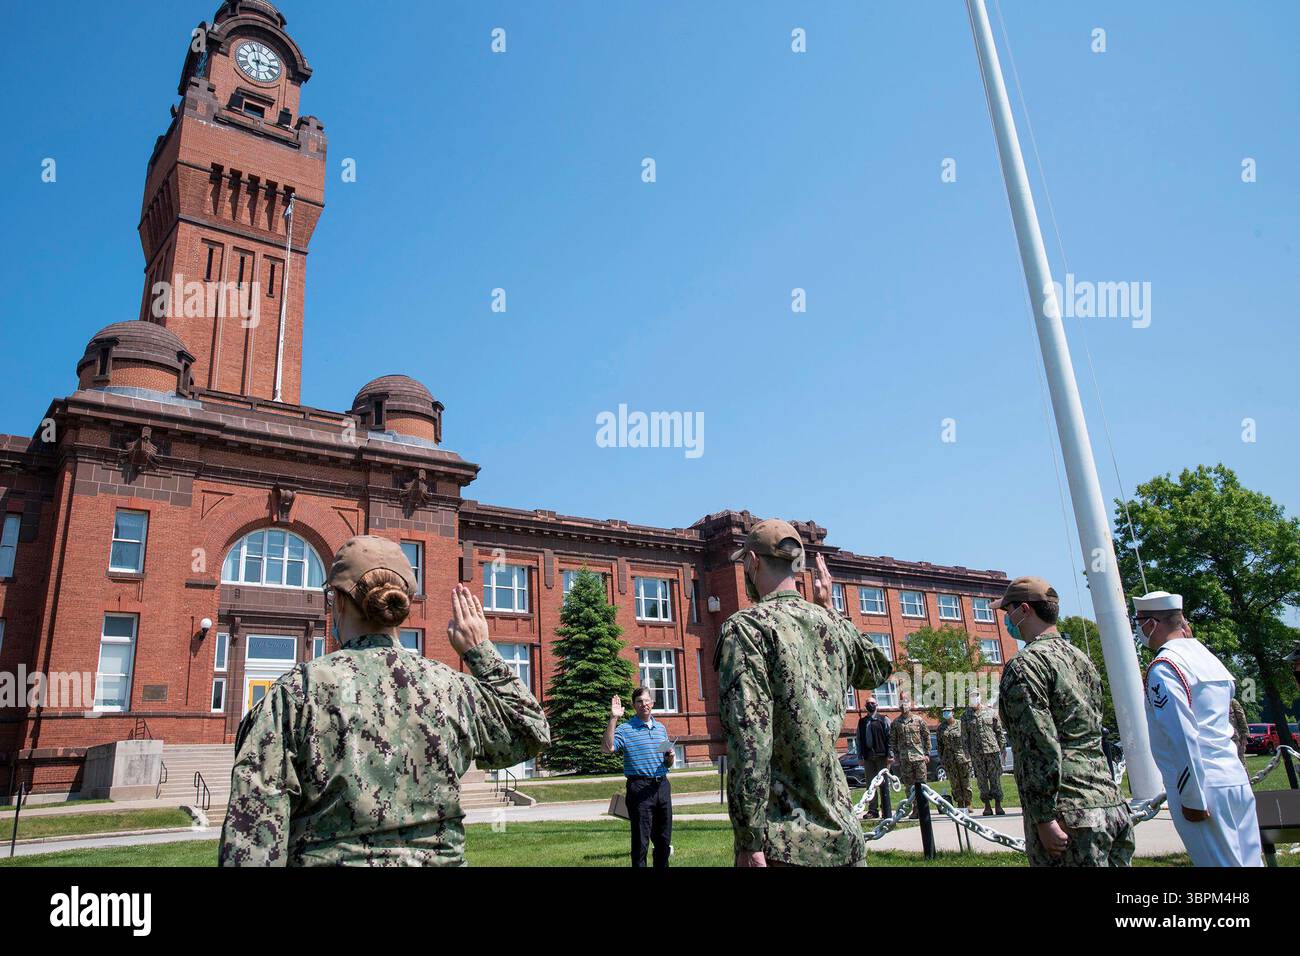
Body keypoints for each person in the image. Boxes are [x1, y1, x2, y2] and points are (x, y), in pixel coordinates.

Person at [218, 535, 550, 866]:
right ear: (403, 604)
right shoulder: (451, 688)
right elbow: (531, 732)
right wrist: (480, 650)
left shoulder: (296, 693)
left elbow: (252, 838)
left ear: (339, 601)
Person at [715, 519, 892, 867]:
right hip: (845, 837)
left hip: (787, 844)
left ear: (752, 562)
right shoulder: (830, 624)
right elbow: (877, 667)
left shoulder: (747, 629)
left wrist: (749, 839)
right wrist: (831, 610)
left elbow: (750, 740)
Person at [995, 576, 1134, 867]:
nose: (1007, 619)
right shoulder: (1080, 658)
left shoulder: (1025, 666)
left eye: (1008, 611)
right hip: (1110, 803)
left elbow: (1038, 745)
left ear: (1024, 610)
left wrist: (1044, 817)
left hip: (1068, 813)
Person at [1135, 590, 1262, 866]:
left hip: (1202, 785)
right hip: (1234, 777)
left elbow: (1182, 736)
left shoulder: (1165, 667)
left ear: (1152, 623)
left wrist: (1191, 796)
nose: (1139, 629)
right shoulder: (1210, 659)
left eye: (1139, 621)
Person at [603, 687, 674, 867]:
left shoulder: (660, 728)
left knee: (664, 842)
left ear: (652, 703)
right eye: (639, 702)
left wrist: (670, 758)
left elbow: (667, 764)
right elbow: (607, 748)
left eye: (646, 701)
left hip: (662, 787)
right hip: (639, 788)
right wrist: (613, 718)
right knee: (641, 843)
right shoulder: (626, 729)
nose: (644, 705)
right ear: (634, 706)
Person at [961, 691, 1007, 816]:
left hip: (992, 751)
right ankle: (987, 806)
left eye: (975, 696)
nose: (973, 699)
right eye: (971, 697)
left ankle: (998, 805)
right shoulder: (966, 716)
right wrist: (966, 752)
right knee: (981, 780)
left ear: (980, 697)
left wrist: (1003, 749)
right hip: (977, 754)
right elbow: (964, 737)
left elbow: (999, 732)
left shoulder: (991, 712)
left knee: (995, 779)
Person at [889, 694, 930, 817]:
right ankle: (915, 809)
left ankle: (923, 809)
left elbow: (926, 736)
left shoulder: (919, 720)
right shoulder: (896, 723)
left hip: (918, 758)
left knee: (922, 784)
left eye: (905, 703)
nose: (903, 706)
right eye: (901, 703)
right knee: (909, 786)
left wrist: (927, 753)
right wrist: (896, 756)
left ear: (910, 705)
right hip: (904, 759)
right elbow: (893, 741)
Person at [855, 698, 892, 818]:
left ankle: (886, 809)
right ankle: (873, 810)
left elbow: (890, 738)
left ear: (877, 705)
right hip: (868, 757)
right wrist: (860, 756)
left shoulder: (883, 719)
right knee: (871, 784)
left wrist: (890, 755)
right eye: (868, 704)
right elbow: (858, 740)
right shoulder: (862, 722)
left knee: (883, 783)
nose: (870, 705)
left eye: (872, 703)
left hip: (882, 757)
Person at [937, 708, 972, 810]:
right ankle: (960, 802)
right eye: (944, 712)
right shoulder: (941, 728)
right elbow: (940, 745)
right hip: (949, 759)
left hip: (962, 757)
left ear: (953, 712)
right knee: (954, 782)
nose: (946, 713)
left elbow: (969, 740)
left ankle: (968, 802)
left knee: (966, 781)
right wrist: (942, 758)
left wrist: (969, 754)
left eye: (948, 711)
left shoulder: (962, 725)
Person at [1228, 696, 1250, 768]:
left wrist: (1244, 737)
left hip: (1236, 739)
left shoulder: (1232, 702)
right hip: (1223, 738)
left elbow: (1242, 718)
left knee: (1241, 764)